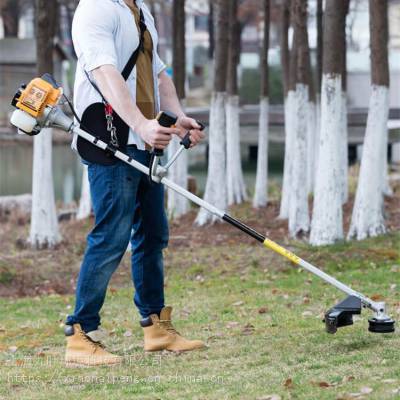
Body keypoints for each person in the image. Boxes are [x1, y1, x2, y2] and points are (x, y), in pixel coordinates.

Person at [64, 0, 205, 367]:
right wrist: (140, 124)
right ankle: (80, 332)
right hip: (110, 140)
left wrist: (178, 119)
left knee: (153, 233)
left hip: (144, 143)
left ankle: (156, 326)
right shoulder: (96, 8)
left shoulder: (139, 8)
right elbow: (105, 71)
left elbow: (158, 73)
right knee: (111, 236)